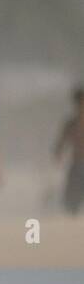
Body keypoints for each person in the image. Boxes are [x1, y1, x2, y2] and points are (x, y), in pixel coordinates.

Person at [54, 87, 84, 215]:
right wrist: (58, 154)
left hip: (77, 163)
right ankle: (74, 217)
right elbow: (61, 142)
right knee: (72, 196)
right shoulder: (71, 123)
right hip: (77, 162)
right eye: (79, 103)